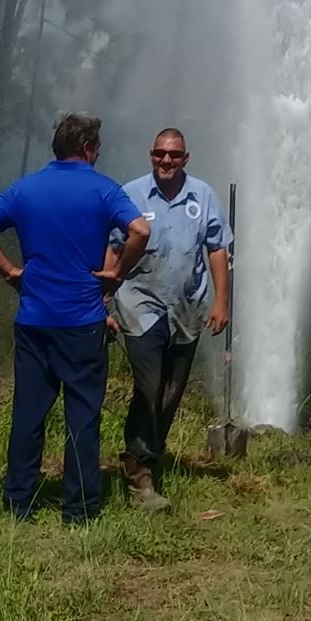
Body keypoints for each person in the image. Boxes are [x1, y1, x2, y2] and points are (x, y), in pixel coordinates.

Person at [0, 111, 152, 524]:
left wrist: (11, 272)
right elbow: (140, 230)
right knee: (82, 416)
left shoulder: (25, 189)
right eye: (97, 147)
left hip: (34, 319)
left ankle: (17, 504)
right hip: (82, 321)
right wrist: (117, 274)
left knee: (28, 415)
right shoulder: (104, 190)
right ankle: (79, 509)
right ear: (88, 148)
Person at [111, 127, 231, 512]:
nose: (166, 161)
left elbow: (217, 248)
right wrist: (102, 299)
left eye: (174, 155)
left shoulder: (203, 195)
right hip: (139, 303)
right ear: (151, 155)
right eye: (160, 154)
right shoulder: (131, 194)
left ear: (185, 158)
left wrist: (221, 302)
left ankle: (143, 458)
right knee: (148, 385)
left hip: (187, 307)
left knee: (170, 392)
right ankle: (140, 476)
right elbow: (113, 249)